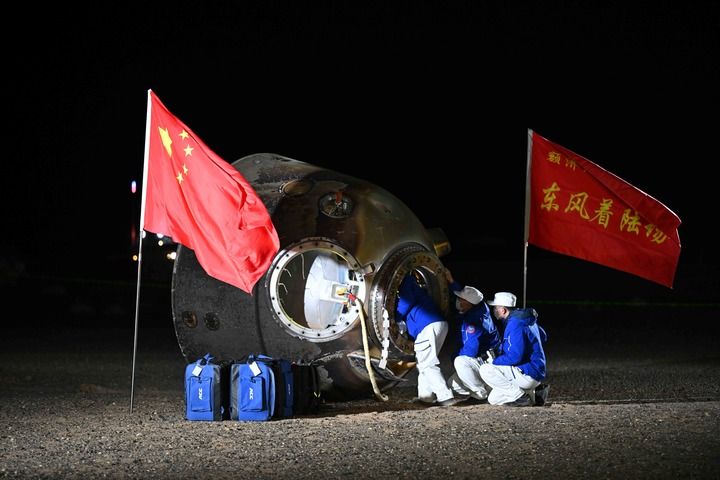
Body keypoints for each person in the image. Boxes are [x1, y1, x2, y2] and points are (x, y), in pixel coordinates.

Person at [396, 273, 463, 407]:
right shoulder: (415, 287)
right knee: (423, 362)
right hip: (437, 325)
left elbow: (405, 304)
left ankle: (445, 396)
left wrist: (395, 318)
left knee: (427, 363)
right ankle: (425, 397)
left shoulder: (406, 283)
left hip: (428, 326)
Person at [479, 292, 548, 407]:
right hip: (535, 371)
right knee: (493, 399)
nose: (494, 310)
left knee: (486, 369)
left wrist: (495, 361)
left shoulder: (515, 324)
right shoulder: (525, 319)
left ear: (504, 310)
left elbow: (515, 356)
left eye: (496, 308)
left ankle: (520, 396)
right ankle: (534, 394)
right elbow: (543, 336)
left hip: (528, 372)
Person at [444, 269, 500, 402]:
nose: (457, 301)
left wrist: (454, 357)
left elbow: (470, 351)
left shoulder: (474, 322)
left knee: (460, 361)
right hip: (485, 360)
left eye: (460, 299)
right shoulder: (479, 306)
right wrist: (451, 281)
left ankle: (480, 394)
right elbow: (469, 296)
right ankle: (488, 387)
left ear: (468, 303)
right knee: (452, 384)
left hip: (489, 363)